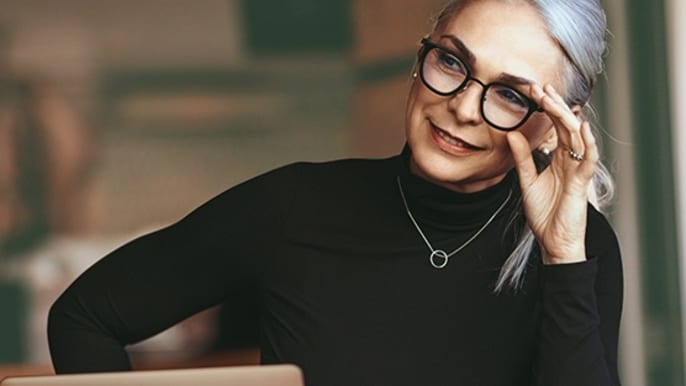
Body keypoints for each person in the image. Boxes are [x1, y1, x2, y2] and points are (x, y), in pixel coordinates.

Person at [47, 0, 623, 385]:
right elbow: (85, 317)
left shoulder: (578, 249)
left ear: (554, 123)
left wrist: (562, 255)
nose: (462, 108)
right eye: (451, 62)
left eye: (510, 96)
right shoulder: (295, 207)